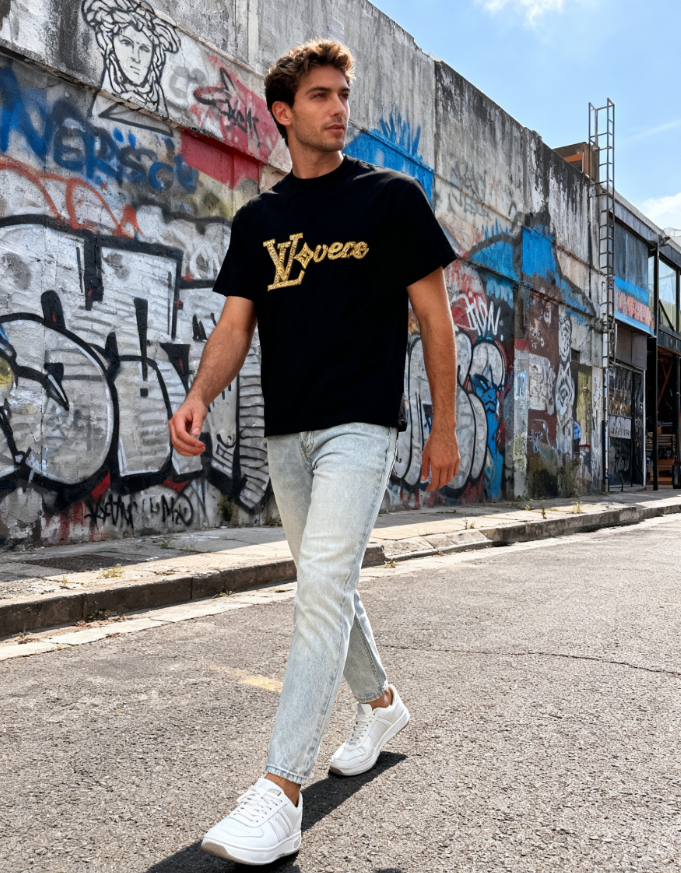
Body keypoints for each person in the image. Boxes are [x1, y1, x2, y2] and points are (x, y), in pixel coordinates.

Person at [169, 38, 460, 867]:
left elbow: (434, 318)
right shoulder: (259, 221)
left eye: (343, 94)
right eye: (320, 96)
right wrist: (199, 395)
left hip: (359, 426)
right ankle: (382, 701)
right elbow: (235, 327)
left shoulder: (390, 199)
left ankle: (279, 790)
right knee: (324, 583)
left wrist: (443, 426)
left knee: (322, 590)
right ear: (283, 112)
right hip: (286, 432)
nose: (338, 108)